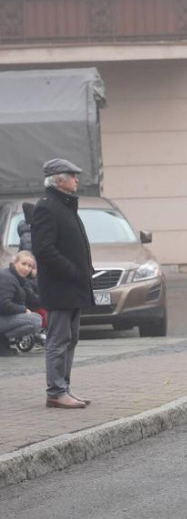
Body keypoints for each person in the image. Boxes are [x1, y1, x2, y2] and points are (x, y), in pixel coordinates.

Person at [31, 159, 95, 410]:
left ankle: (64, 389)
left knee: (71, 338)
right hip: (60, 288)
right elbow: (44, 249)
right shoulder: (47, 207)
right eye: (72, 175)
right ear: (58, 179)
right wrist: (73, 271)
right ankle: (56, 392)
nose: (77, 179)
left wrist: (84, 271)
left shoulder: (64, 205)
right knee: (58, 340)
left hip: (73, 286)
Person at [0, 251, 44, 354]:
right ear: (15, 262)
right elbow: (3, 304)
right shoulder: (7, 278)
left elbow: (33, 299)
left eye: (30, 266)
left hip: (4, 316)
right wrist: (23, 310)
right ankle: (2, 338)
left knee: (36, 318)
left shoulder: (19, 279)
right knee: (35, 321)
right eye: (23, 264)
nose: (26, 269)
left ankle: (3, 341)